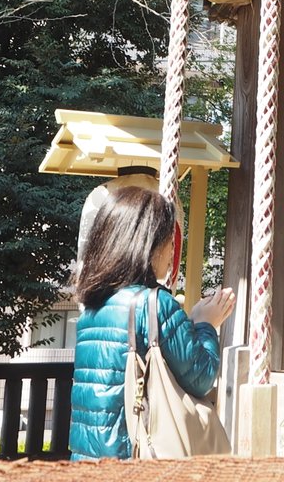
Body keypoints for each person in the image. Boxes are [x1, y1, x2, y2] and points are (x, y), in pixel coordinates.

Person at [69, 186, 237, 460]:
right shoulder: (156, 304)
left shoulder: (92, 304)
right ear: (150, 244)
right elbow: (202, 378)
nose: (172, 251)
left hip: (86, 459)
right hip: (133, 457)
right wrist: (206, 324)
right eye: (169, 242)